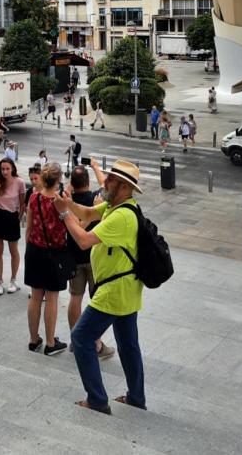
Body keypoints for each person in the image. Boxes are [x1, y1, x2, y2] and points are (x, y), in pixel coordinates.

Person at [53, 159, 146, 414]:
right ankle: (136, 397)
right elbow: (86, 214)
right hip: (125, 288)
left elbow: (83, 240)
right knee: (128, 344)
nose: (106, 182)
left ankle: (96, 399)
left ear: (125, 188)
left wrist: (63, 213)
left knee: (81, 338)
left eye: (113, 180)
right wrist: (68, 203)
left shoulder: (123, 216)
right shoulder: (115, 206)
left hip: (114, 290)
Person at [66, 163, 115, 360]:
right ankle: (96, 342)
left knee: (75, 297)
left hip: (74, 257)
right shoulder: (96, 199)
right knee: (97, 302)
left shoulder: (67, 202)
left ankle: (75, 338)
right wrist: (95, 166)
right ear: (87, 181)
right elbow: (105, 185)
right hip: (95, 259)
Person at [24, 162, 69, 356]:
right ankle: (51, 343)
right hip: (55, 253)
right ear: (58, 180)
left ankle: (34, 340)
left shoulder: (34, 198)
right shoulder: (61, 202)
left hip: (34, 250)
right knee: (51, 298)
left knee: (35, 296)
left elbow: (28, 228)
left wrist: (29, 248)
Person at [0, 157, 26, 295]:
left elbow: (22, 203)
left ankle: (13, 280)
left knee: (14, 251)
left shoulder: (19, 182)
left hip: (12, 217)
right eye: (2, 169)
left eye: (7, 168)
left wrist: (18, 219)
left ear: (12, 168)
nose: (5, 171)